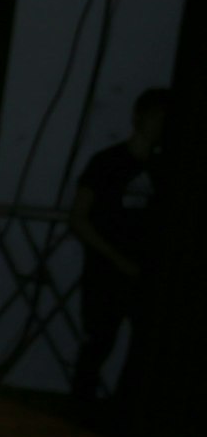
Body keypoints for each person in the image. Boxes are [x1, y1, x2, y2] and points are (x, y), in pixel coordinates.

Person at [69, 88, 165, 403]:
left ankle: (125, 406)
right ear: (139, 117)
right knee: (99, 341)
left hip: (144, 272)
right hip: (105, 270)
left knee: (145, 346)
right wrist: (113, 256)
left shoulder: (166, 169)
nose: (162, 123)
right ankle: (82, 407)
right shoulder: (108, 162)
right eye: (156, 115)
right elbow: (79, 217)